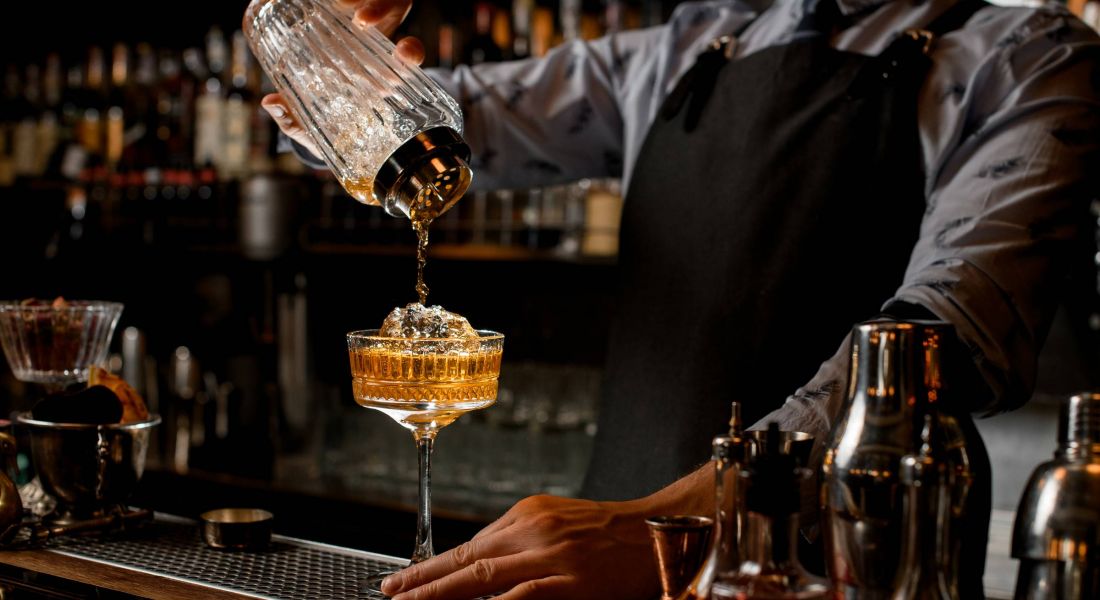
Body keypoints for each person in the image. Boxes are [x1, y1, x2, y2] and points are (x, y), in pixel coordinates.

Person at [264, 0, 1100, 597]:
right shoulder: (697, 40)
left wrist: (678, 523)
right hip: (613, 546)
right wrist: (315, 64)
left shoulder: (1028, 52)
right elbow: (443, 120)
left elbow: (949, 333)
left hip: (846, 560)